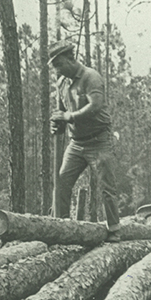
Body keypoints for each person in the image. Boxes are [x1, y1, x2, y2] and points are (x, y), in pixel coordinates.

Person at [48, 39, 121, 242]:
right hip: (76, 143)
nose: (58, 70)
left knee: (107, 186)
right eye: (55, 67)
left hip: (100, 140)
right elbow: (61, 112)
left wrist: (69, 117)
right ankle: (61, 228)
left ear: (71, 59)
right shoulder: (62, 83)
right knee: (61, 182)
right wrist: (57, 123)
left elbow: (95, 106)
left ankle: (114, 230)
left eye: (60, 64)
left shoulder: (91, 77)